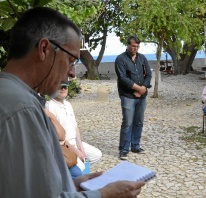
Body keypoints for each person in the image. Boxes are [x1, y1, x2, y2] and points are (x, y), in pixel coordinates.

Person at [0, 7, 144, 197]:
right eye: (70, 60)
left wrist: (72, 185)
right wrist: (103, 195)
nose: (72, 73)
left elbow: (26, 187)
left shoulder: (10, 94)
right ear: (44, 49)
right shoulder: (22, 109)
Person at [46, 82, 102, 165]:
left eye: (65, 87)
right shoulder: (50, 106)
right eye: (60, 87)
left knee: (96, 155)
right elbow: (56, 135)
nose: (63, 89)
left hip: (74, 142)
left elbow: (75, 127)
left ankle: (79, 172)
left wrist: (80, 146)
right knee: (79, 165)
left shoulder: (68, 104)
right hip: (63, 145)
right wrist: (75, 151)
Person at [115, 35, 152, 160]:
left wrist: (143, 89)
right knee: (127, 123)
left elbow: (149, 74)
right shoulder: (120, 59)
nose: (135, 48)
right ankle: (124, 149)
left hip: (142, 96)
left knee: (139, 122)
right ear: (128, 45)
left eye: (137, 46)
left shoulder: (142, 58)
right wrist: (138, 88)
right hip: (128, 96)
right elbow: (123, 78)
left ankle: (135, 146)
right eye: (133, 46)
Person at [45, 108, 84, 179]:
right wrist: (52, 117)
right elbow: (61, 136)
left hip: (61, 148)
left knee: (78, 170)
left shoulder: (45, 111)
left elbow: (62, 136)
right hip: (49, 154)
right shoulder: (48, 107)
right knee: (77, 171)